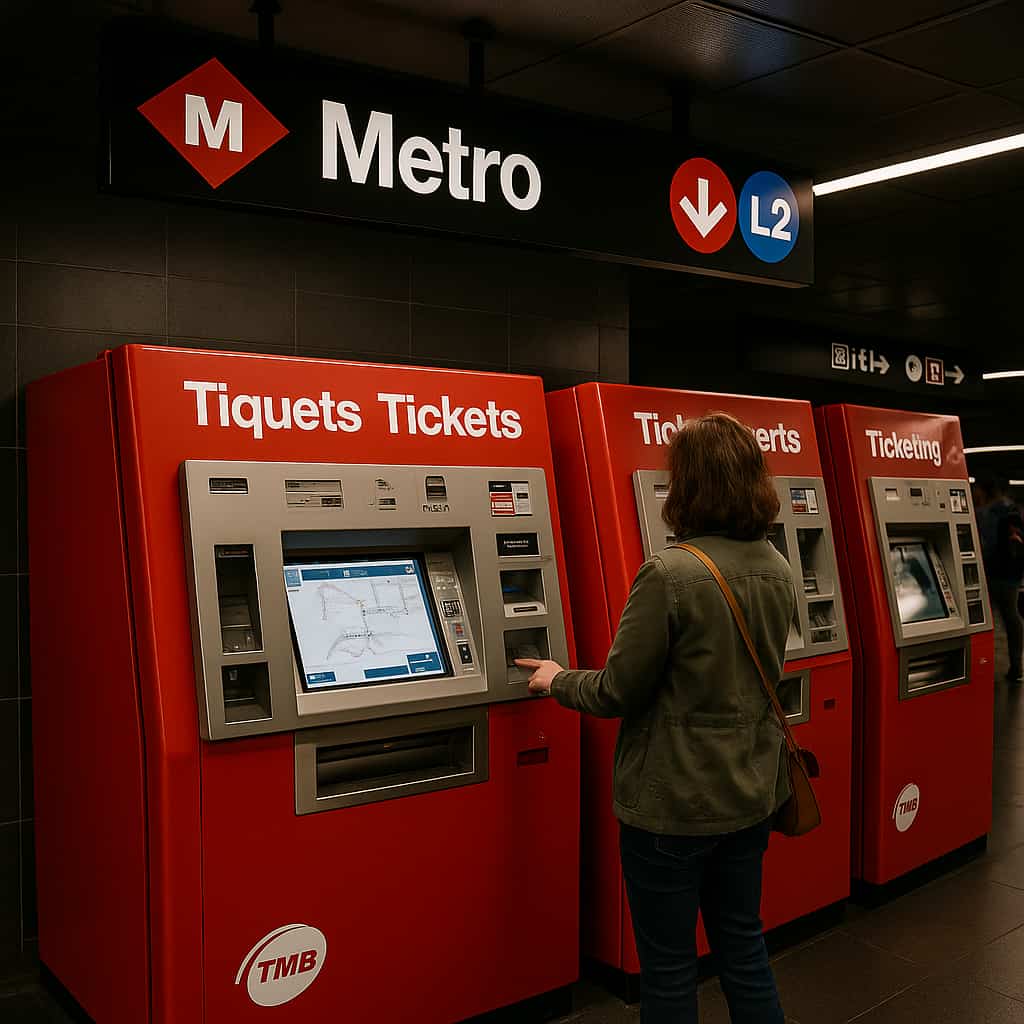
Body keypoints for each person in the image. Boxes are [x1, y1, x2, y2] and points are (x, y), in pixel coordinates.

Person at [517, 412, 795, 1024]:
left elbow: (617, 691)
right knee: (744, 948)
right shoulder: (778, 567)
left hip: (672, 802)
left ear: (688, 486)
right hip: (750, 791)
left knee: (668, 970)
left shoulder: (669, 574)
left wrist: (556, 678)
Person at [973, 475, 1024, 683]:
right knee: (1011, 617)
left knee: (986, 619)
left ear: (985, 491)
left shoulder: (987, 513)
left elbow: (986, 543)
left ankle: (982, 667)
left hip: (993, 572)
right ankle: (1016, 666)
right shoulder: (1012, 509)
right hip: (1011, 571)